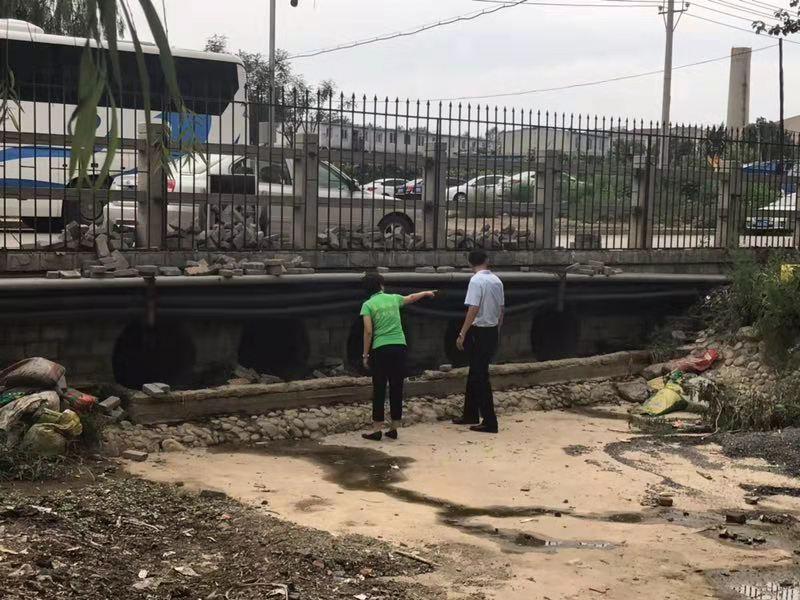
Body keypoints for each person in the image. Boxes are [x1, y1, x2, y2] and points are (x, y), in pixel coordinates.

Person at [360, 272, 436, 441]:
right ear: (381, 285)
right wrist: (425, 293)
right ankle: (394, 427)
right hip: (399, 347)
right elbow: (411, 298)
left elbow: (368, 331)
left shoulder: (367, 305)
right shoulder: (393, 298)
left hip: (381, 349)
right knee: (396, 386)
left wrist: (365, 354)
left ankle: (377, 428)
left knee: (379, 388)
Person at [453, 249, 505, 433]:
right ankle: (470, 413)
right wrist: (497, 332)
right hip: (491, 331)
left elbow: (473, 308)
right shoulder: (496, 280)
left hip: (479, 330)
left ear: (469, 263)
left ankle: (490, 421)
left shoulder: (476, 281)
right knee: (475, 372)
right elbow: (501, 309)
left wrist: (463, 333)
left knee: (480, 376)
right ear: (487, 260)